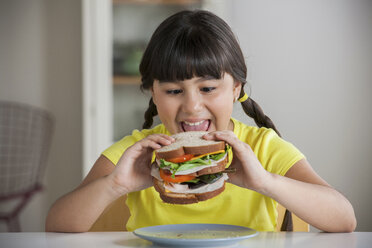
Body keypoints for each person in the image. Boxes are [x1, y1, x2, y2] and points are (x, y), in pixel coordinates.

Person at [45, 10, 356, 233]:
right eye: (173, 90)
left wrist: (265, 182)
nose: (192, 106)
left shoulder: (262, 148)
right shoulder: (138, 152)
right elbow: (57, 224)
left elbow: (344, 219)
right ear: (153, 92)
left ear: (236, 89)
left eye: (208, 88)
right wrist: (116, 185)